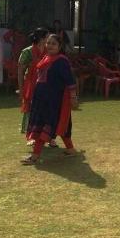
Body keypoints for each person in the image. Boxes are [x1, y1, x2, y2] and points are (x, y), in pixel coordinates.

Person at [22, 34, 78, 165]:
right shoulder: (46, 58)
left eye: (54, 43)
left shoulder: (61, 61)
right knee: (62, 125)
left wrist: (73, 97)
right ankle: (70, 149)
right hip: (42, 99)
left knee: (44, 126)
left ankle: (35, 156)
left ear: (59, 46)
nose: (50, 46)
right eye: (48, 43)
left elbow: (70, 81)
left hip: (54, 101)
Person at [18, 28, 48, 143]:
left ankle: (46, 135)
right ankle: (30, 135)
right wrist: (21, 89)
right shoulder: (27, 52)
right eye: (47, 37)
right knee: (31, 109)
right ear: (41, 38)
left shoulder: (48, 51)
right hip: (31, 84)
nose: (49, 39)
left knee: (46, 109)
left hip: (45, 84)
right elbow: (20, 71)